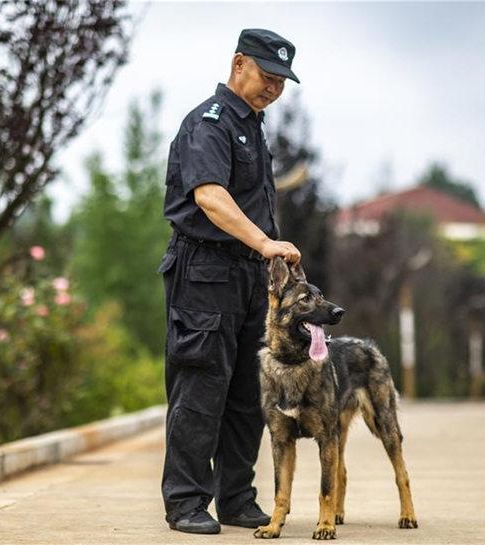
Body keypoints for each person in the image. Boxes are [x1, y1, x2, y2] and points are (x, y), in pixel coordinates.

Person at [157, 28, 302, 535]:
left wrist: (267, 261)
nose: (274, 88)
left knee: (248, 391)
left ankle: (236, 499)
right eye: (267, 76)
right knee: (201, 387)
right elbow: (209, 198)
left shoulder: (253, 128)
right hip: (204, 271)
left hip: (247, 277)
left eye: (282, 81)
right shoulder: (209, 123)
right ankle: (185, 501)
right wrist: (266, 243)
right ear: (239, 63)